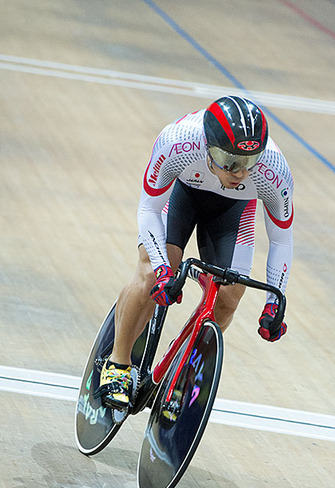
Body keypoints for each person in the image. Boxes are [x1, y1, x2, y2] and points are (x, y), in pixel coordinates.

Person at [96, 95, 294, 410]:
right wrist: (163, 270)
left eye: (248, 162)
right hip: (183, 195)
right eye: (230, 162)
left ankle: (180, 373)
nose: (240, 173)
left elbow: (282, 240)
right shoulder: (179, 142)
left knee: (229, 298)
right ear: (208, 147)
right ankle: (117, 364)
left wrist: (275, 303)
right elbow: (149, 208)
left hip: (232, 213)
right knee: (151, 275)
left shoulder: (273, 170)